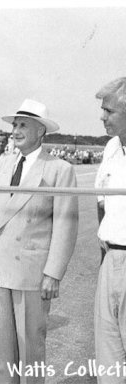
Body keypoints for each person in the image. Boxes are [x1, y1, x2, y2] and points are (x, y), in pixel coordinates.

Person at [0, 99, 78, 383]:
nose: (15, 130)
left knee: (31, 344)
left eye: (23, 125)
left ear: (40, 131)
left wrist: (53, 273)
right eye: (14, 125)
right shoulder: (3, 163)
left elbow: (65, 224)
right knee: (3, 346)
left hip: (32, 271)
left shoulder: (59, 169)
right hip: (0, 265)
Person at [93, 77, 126, 383]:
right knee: (108, 355)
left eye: (109, 111)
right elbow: (101, 203)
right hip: (111, 258)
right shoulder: (110, 148)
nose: (102, 116)